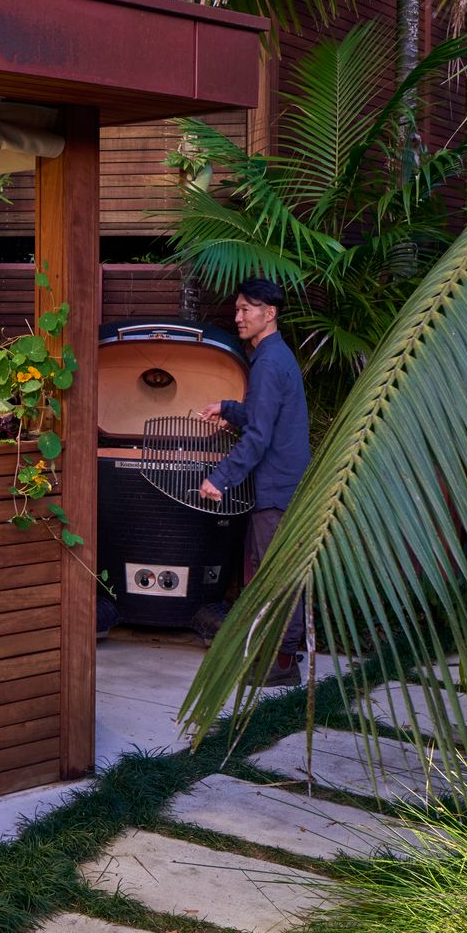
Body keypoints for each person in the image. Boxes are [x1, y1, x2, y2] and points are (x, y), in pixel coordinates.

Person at [195, 277, 311, 685]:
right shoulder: (274, 357)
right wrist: (228, 408)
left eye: (247, 310)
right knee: (269, 568)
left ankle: (281, 663)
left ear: (270, 313)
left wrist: (220, 477)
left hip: (277, 486)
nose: (238, 316)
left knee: (274, 573)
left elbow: (260, 437)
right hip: (282, 481)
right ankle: (276, 656)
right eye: (238, 309)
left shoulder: (269, 361)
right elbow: (265, 416)